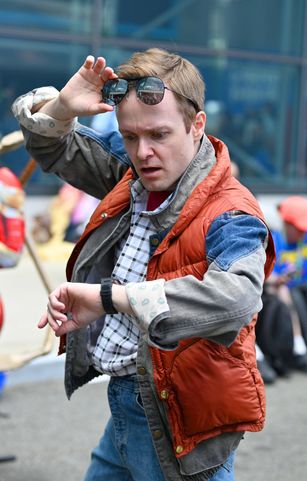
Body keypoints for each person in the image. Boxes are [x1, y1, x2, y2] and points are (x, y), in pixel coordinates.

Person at [12, 49, 275, 481]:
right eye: (130, 136)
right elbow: (51, 147)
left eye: (158, 135)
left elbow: (237, 300)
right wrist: (62, 108)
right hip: (132, 401)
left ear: (197, 126)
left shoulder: (231, 212)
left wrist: (107, 298)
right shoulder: (131, 172)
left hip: (185, 419)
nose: (143, 152)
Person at [266, 196, 307, 372]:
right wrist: (279, 279)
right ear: (287, 224)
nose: (304, 233)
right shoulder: (276, 242)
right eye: (300, 229)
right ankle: (304, 349)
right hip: (290, 291)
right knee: (296, 298)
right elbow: (270, 276)